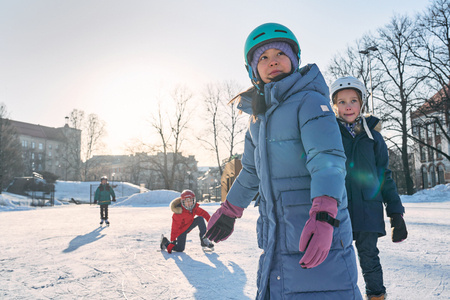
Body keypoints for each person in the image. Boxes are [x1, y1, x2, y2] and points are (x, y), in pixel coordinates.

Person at [204, 23, 362, 299]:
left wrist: (324, 215)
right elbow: (251, 172)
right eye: (262, 57)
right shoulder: (258, 119)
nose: (272, 60)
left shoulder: (310, 102)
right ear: (253, 70)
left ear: (294, 59)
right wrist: (230, 210)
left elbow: (328, 160)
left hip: (316, 228)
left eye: (280, 53)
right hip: (278, 234)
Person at [330, 76, 408, 300]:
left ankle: (376, 296)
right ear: (335, 105)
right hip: (339, 208)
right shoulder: (329, 134)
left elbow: (384, 175)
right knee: (337, 258)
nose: (348, 106)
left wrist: (395, 213)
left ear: (361, 104)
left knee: (369, 258)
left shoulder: (374, 137)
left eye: (353, 100)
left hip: (368, 209)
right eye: (342, 102)